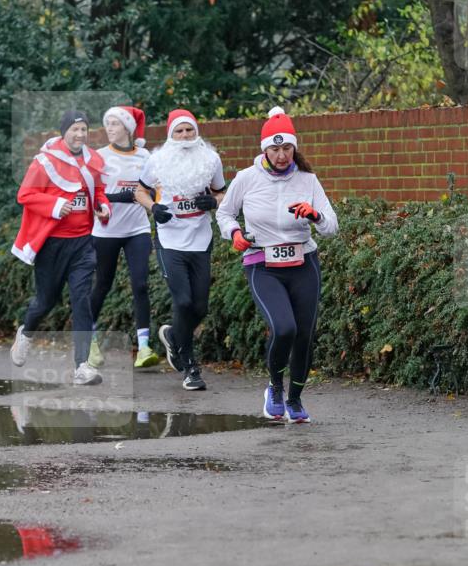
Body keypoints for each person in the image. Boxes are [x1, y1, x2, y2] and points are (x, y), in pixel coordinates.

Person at [216, 106, 338, 423]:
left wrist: (314, 215)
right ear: (265, 149)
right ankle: (274, 388)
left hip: (303, 263)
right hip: (262, 263)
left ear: (294, 148)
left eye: (287, 148)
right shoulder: (246, 178)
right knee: (284, 328)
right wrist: (234, 233)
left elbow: (332, 227)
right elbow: (224, 213)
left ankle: (295, 399)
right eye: (275, 148)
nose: (282, 155)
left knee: (304, 335)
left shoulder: (308, 180)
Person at [10, 109, 111, 385]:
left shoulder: (93, 161)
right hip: (51, 244)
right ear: (64, 131)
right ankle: (26, 332)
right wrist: (55, 205)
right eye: (74, 129)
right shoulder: (45, 162)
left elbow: (98, 192)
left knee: (81, 301)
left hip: (82, 243)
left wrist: (103, 206)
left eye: (83, 130)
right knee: (46, 301)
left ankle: (82, 366)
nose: (80, 134)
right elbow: (25, 195)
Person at [135, 109, 225, 391]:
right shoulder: (157, 160)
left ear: (196, 132)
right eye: (179, 131)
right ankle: (190, 367)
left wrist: (214, 202)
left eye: (189, 130)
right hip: (169, 240)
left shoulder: (211, 159)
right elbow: (139, 191)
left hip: (200, 239)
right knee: (183, 302)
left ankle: (174, 336)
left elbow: (222, 192)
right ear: (170, 135)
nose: (185, 136)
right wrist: (154, 208)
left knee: (200, 306)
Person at [87, 105, 159, 369]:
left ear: (128, 128)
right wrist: (120, 198)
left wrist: (152, 202)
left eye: (115, 124)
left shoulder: (145, 156)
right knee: (102, 285)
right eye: (108, 124)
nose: (110, 128)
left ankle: (143, 348)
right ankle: (89, 341)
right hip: (105, 231)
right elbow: (92, 193)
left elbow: (152, 190)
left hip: (137, 229)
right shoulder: (98, 156)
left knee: (140, 285)